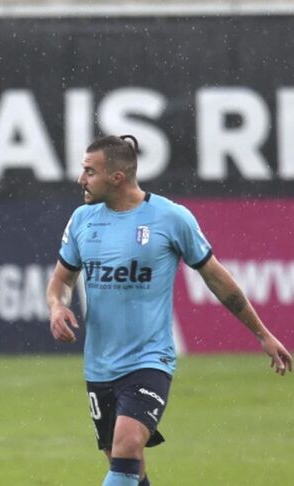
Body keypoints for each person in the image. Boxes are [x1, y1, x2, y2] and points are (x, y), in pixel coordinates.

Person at [46, 134, 291, 486]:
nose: (80, 179)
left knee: (128, 445)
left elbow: (218, 280)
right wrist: (57, 306)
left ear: (117, 177)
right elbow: (61, 281)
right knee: (127, 467)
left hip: (149, 360)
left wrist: (262, 334)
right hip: (99, 365)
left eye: (90, 171)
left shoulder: (171, 218)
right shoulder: (82, 220)